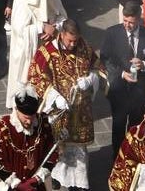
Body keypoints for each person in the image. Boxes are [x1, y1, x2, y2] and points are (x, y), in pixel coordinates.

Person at [28, 17, 100, 191]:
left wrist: (91, 79)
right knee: (58, 149)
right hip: (58, 112)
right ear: (61, 35)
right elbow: (35, 77)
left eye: (75, 41)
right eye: (70, 41)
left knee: (79, 151)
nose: (73, 45)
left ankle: (80, 183)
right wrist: (54, 97)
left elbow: (98, 67)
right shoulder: (46, 52)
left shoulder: (84, 47)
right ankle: (57, 178)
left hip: (81, 111)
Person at [101, 0, 145, 149]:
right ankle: (117, 159)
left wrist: (144, 65)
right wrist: (121, 73)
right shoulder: (112, 33)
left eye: (131, 22)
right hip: (119, 91)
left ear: (138, 19)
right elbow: (106, 59)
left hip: (140, 93)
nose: (127, 25)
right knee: (118, 127)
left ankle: (134, 155)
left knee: (136, 127)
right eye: (125, 21)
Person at [4, 0, 64, 110]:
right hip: (27, 51)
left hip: (47, 49)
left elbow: (62, 16)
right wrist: (41, 27)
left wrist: (55, 27)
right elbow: (18, 28)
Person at [0, 88, 57, 191]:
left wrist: (36, 179)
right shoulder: (3, 129)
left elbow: (52, 155)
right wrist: (18, 185)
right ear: (16, 110)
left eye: (32, 117)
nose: (29, 122)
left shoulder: (42, 125)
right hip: (9, 185)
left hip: (34, 185)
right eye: (25, 117)